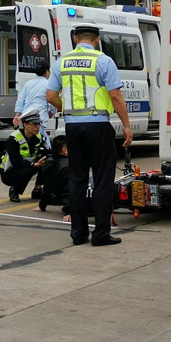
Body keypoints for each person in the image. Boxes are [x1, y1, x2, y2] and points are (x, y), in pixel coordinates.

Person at [46, 22, 133, 247]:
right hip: (98, 126)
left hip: (73, 127)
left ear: (75, 38)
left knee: (77, 179)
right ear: (96, 40)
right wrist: (126, 125)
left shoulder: (61, 62)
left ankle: (78, 233)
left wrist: (67, 107)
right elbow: (115, 96)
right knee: (103, 180)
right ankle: (101, 234)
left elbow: (50, 95)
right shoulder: (103, 61)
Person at [0, 109, 49, 203]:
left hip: (29, 165)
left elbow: (47, 152)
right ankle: (14, 190)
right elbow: (15, 161)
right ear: (25, 125)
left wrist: (45, 159)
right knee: (27, 170)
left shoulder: (39, 137)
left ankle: (37, 190)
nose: (37, 127)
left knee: (47, 164)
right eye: (34, 124)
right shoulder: (14, 139)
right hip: (10, 171)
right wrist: (34, 165)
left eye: (38, 124)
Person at [14, 60, 56, 147]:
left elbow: (21, 100)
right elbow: (52, 101)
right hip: (38, 119)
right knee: (45, 145)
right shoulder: (48, 84)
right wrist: (52, 112)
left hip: (26, 119)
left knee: (28, 143)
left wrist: (17, 115)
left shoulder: (28, 84)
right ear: (47, 72)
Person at [34, 135, 72, 222]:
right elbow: (68, 189)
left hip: (58, 197)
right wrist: (69, 212)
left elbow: (47, 186)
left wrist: (42, 205)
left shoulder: (48, 162)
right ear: (65, 150)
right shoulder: (67, 165)